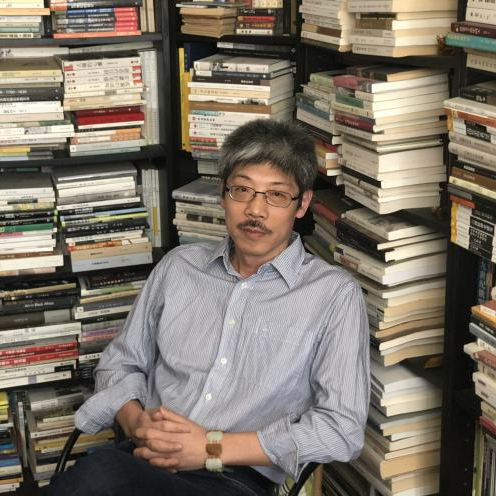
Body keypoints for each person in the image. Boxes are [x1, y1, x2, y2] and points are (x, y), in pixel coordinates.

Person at [46, 119, 370, 496]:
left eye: (277, 195)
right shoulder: (179, 267)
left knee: (96, 477)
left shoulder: (333, 295)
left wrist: (210, 448)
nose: (255, 210)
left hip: (231, 480)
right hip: (138, 461)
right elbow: (120, 363)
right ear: (222, 194)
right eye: (242, 190)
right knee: (97, 475)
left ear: (303, 204)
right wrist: (138, 425)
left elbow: (341, 430)